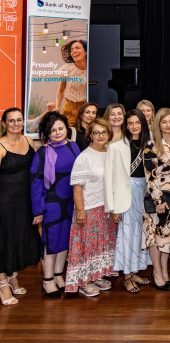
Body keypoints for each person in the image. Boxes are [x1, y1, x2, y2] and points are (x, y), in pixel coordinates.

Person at [30, 112, 81, 298]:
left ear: (66, 128)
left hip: (71, 202)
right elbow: (35, 182)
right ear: (47, 133)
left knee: (65, 240)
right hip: (51, 203)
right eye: (53, 130)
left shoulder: (74, 147)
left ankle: (59, 274)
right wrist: (37, 209)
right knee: (51, 242)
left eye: (61, 128)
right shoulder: (42, 153)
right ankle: (47, 279)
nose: (58, 133)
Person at [66, 118, 119, 296]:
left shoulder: (111, 153)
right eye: (96, 132)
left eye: (103, 132)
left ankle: (96, 276)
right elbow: (77, 188)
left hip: (106, 207)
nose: (100, 135)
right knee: (86, 248)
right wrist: (80, 211)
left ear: (109, 134)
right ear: (90, 135)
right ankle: (82, 282)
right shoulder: (84, 157)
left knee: (100, 246)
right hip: (88, 209)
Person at [105, 109, 152, 294]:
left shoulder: (149, 144)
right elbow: (109, 179)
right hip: (127, 194)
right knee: (127, 235)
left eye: (137, 123)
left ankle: (134, 270)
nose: (134, 126)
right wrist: (113, 206)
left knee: (140, 234)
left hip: (146, 193)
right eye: (130, 123)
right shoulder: (116, 147)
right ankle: (126, 277)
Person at [0, 108, 40, 306]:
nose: (16, 124)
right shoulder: (0, 146)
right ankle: (2, 285)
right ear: (4, 124)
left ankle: (13, 276)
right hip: (4, 203)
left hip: (25, 202)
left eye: (19, 120)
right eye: (11, 121)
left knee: (18, 239)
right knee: (3, 240)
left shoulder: (29, 141)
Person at [143, 108, 170, 290]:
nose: (168, 125)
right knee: (155, 237)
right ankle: (157, 272)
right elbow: (150, 176)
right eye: (164, 122)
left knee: (168, 237)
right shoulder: (151, 145)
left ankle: (165, 272)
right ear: (158, 124)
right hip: (158, 199)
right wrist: (158, 201)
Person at [55, 39, 88, 126]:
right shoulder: (66, 69)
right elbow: (61, 90)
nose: (74, 51)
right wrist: (57, 108)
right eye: (72, 50)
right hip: (69, 107)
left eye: (77, 48)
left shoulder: (92, 69)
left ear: (85, 51)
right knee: (68, 132)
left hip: (85, 108)